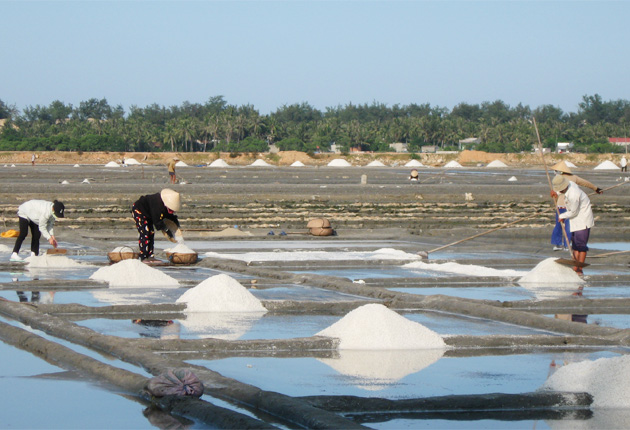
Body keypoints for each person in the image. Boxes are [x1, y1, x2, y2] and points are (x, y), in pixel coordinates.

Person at [549, 161, 601, 251]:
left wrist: (554, 195)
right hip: (569, 206)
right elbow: (586, 183)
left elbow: (556, 193)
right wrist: (596, 188)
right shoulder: (573, 178)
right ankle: (567, 245)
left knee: (559, 225)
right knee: (569, 226)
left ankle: (557, 244)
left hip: (562, 206)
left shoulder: (559, 179)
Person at [552, 174, 594, 275]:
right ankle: (575, 266)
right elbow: (562, 191)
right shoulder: (570, 184)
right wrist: (556, 193)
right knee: (575, 244)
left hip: (583, 219)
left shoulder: (573, 194)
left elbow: (573, 212)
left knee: (581, 245)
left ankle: (579, 268)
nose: (560, 191)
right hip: (574, 219)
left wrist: (562, 216)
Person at [131, 189, 181, 264]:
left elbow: (169, 216)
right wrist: (166, 230)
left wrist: (176, 223)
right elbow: (157, 222)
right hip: (139, 211)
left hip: (149, 213)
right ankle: (144, 256)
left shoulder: (165, 205)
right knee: (145, 232)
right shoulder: (157, 205)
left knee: (151, 233)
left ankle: (150, 255)